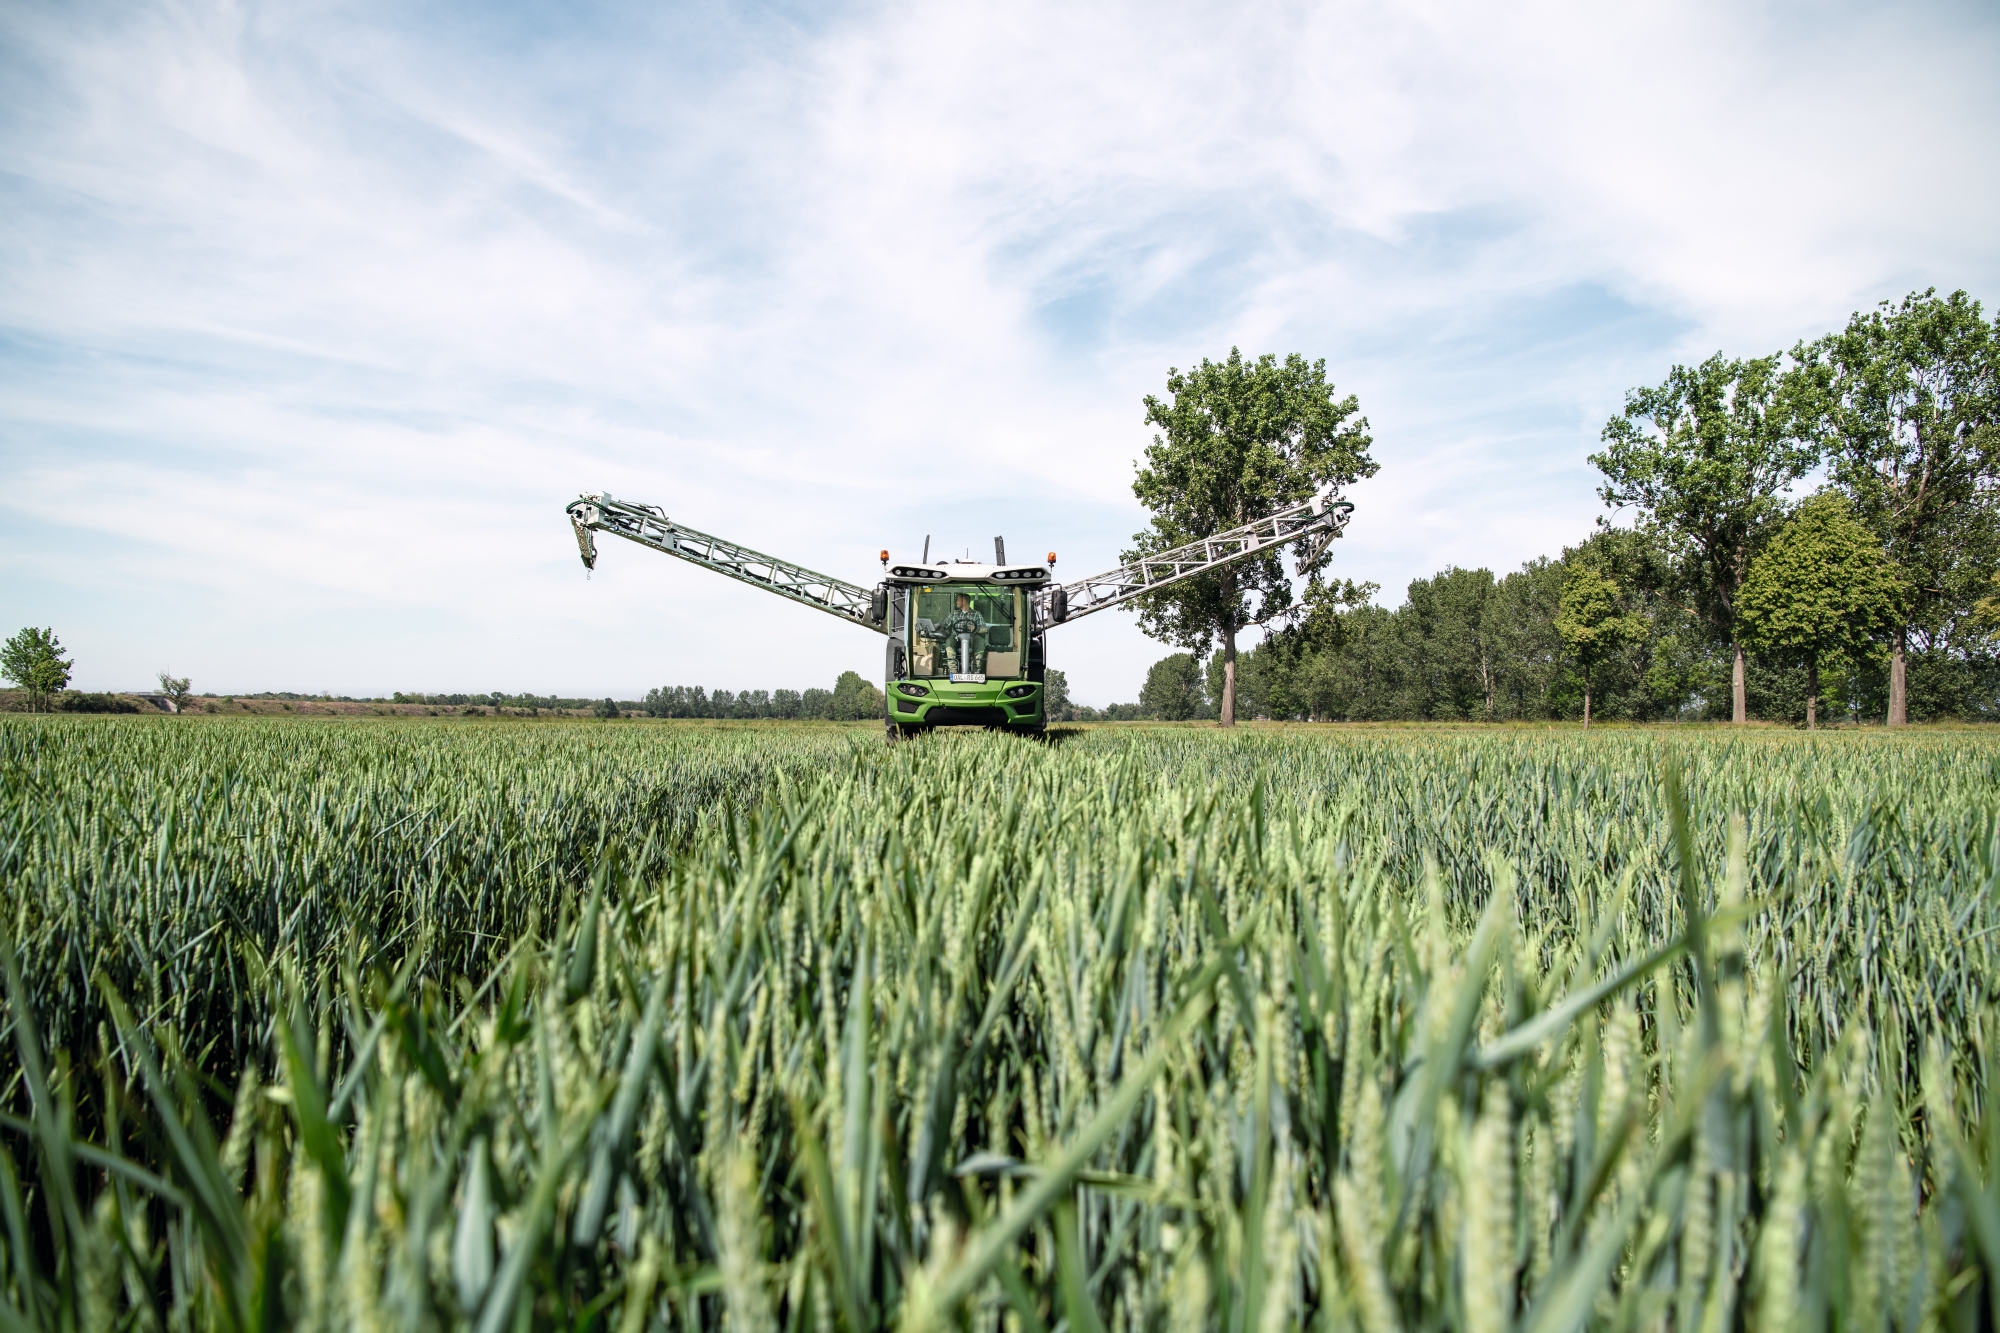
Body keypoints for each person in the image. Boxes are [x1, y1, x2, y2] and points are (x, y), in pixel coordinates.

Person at [940, 592, 985, 672]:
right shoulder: (954, 613)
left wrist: (976, 628)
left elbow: (984, 629)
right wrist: (936, 626)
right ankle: (953, 670)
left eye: (958, 600)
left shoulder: (976, 614)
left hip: (972, 638)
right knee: (949, 641)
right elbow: (944, 624)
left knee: (980, 641)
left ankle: (976, 669)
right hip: (956, 637)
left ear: (964, 601)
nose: (956, 602)